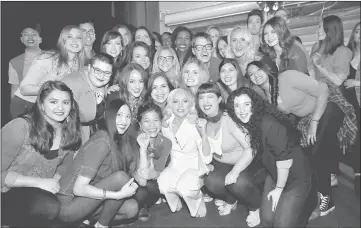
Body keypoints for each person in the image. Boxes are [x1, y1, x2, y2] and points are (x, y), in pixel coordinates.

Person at [227, 87, 318, 227]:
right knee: (267, 221)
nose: (241, 110)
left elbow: (284, 160)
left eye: (246, 104)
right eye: (237, 106)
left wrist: (278, 190)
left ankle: (309, 202)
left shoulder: (268, 123)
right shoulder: (250, 123)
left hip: (296, 177)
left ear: (254, 105)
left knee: (281, 224)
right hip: (275, 174)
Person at [2, 81, 82, 227]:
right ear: (41, 104)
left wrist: (55, 181)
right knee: (49, 206)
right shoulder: (20, 127)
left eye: (65, 102)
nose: (60, 108)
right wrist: (40, 182)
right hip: (7, 192)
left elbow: (65, 166)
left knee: (72, 215)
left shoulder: (67, 132)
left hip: (39, 193)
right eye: (53, 102)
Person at [57, 99, 140, 227]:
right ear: (109, 116)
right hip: (67, 205)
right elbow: (79, 189)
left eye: (128, 116)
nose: (124, 120)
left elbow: (137, 177)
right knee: (121, 178)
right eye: (119, 115)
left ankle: (92, 222)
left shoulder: (119, 141)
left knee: (132, 208)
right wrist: (117, 195)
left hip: (88, 200)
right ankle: (102, 225)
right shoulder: (102, 140)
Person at [196, 83, 267, 226]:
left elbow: (250, 149)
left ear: (219, 99)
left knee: (238, 183)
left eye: (210, 97)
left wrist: (235, 171)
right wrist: (203, 134)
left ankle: (255, 207)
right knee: (210, 181)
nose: (205, 102)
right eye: (201, 98)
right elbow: (208, 153)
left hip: (248, 162)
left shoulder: (228, 118)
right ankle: (232, 200)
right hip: (222, 163)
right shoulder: (203, 121)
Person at [311, 15, 358, 212]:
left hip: (336, 103)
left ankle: (325, 196)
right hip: (318, 99)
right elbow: (312, 79)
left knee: (318, 146)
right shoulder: (315, 48)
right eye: (317, 27)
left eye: (321, 27)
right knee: (325, 145)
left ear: (332, 30)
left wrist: (320, 66)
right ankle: (327, 181)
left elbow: (339, 82)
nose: (318, 30)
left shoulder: (343, 51)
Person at [157, 88, 212, 217]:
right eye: (176, 101)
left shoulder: (197, 123)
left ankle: (198, 200)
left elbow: (207, 157)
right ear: (170, 104)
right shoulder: (167, 122)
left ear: (191, 104)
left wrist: (204, 134)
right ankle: (176, 202)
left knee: (185, 188)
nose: (180, 105)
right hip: (175, 165)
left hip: (194, 166)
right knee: (161, 184)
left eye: (185, 101)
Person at [11, 25, 85, 119]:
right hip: (27, 106)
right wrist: (54, 89)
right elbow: (25, 89)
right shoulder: (47, 59)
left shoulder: (79, 65)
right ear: (63, 41)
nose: (75, 41)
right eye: (69, 37)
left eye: (78, 37)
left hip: (51, 107)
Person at [62, 53, 114, 143]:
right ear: (89, 67)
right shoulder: (72, 84)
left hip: (94, 134)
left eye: (107, 73)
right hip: (72, 137)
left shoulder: (103, 83)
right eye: (97, 70)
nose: (101, 76)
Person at [134, 102, 172, 221]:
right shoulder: (133, 140)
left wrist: (154, 173)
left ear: (161, 122)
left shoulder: (166, 142)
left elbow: (159, 168)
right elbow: (141, 179)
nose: (152, 125)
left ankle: (144, 205)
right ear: (140, 124)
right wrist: (143, 148)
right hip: (133, 177)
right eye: (146, 121)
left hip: (150, 177)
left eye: (156, 120)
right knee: (140, 189)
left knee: (154, 188)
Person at [107, 63, 148, 138]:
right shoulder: (115, 98)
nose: (137, 86)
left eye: (141, 81)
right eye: (132, 81)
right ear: (125, 82)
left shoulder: (145, 101)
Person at [344, 22, 360, 196]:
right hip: (348, 105)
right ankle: (357, 173)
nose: (360, 34)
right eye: (357, 31)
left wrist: (357, 82)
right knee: (354, 139)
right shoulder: (347, 55)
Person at [9, 23, 42, 99]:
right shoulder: (15, 62)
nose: (30, 37)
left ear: (40, 39)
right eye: (26, 34)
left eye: (34, 34)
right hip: (26, 106)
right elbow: (14, 88)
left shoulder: (52, 57)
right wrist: (14, 109)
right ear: (21, 39)